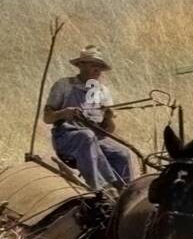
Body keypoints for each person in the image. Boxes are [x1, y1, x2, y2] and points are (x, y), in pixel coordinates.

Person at [42, 45, 134, 192]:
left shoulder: (103, 91)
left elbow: (108, 130)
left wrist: (109, 118)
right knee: (87, 135)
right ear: (80, 65)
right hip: (66, 137)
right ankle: (101, 188)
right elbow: (47, 118)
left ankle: (126, 191)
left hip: (96, 138)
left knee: (121, 153)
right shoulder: (64, 85)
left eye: (100, 66)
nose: (97, 69)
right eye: (93, 65)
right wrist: (64, 113)